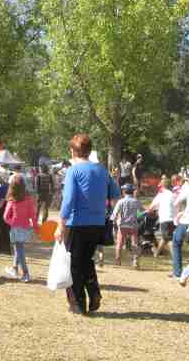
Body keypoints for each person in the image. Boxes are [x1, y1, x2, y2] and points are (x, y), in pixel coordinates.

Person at [54, 134, 121, 315]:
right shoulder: (102, 170)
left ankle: (78, 304)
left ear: (72, 151)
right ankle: (94, 292)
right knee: (86, 260)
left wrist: (60, 225)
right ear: (89, 151)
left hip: (77, 223)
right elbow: (115, 194)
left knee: (74, 265)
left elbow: (68, 200)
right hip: (97, 224)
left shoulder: (73, 171)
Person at [3, 174, 39, 282]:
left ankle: (25, 273)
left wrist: (12, 222)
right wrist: (36, 227)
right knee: (19, 248)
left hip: (15, 228)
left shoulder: (11, 200)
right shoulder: (29, 199)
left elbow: (5, 217)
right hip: (26, 228)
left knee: (19, 250)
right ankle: (14, 268)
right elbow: (33, 215)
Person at [111, 184, 144, 268]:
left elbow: (115, 213)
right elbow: (142, 213)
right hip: (133, 225)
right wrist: (138, 217)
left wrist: (113, 221)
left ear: (124, 192)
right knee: (134, 243)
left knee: (120, 243)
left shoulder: (121, 201)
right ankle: (135, 261)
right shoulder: (136, 201)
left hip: (123, 225)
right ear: (132, 192)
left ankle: (118, 260)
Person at [148, 177, 174, 257]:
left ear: (162, 186)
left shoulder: (161, 195)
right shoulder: (172, 194)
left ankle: (175, 256)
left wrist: (150, 211)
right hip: (172, 219)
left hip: (165, 218)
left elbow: (151, 207)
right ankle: (157, 253)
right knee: (165, 237)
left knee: (168, 239)